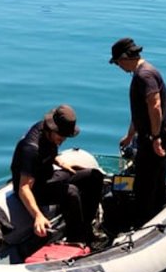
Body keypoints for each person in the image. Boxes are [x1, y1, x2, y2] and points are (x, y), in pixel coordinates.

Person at [10, 105, 104, 245]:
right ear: (51, 129)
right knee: (71, 192)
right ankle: (76, 239)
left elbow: (47, 153)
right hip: (33, 189)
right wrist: (38, 216)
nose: (63, 139)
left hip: (47, 177)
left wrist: (62, 164)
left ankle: (86, 227)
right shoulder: (30, 148)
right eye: (61, 136)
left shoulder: (48, 134)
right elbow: (24, 188)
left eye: (66, 136)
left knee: (94, 176)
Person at [110, 37, 166, 224]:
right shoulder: (143, 73)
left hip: (155, 137)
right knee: (150, 180)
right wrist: (131, 135)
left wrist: (155, 138)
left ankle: (144, 222)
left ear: (125, 58)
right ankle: (154, 210)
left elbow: (154, 106)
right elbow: (141, 111)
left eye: (117, 62)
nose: (119, 67)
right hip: (150, 135)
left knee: (145, 185)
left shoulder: (144, 75)